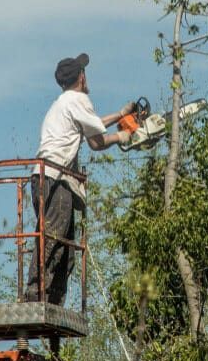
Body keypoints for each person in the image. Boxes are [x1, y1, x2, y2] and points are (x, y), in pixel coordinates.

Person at [24, 53, 134, 305]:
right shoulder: (78, 99)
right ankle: (35, 296)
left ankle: (51, 299)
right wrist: (122, 137)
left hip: (44, 177)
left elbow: (94, 135)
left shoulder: (64, 104)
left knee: (64, 245)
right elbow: (97, 139)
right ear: (81, 77)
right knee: (53, 238)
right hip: (54, 177)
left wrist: (120, 116)